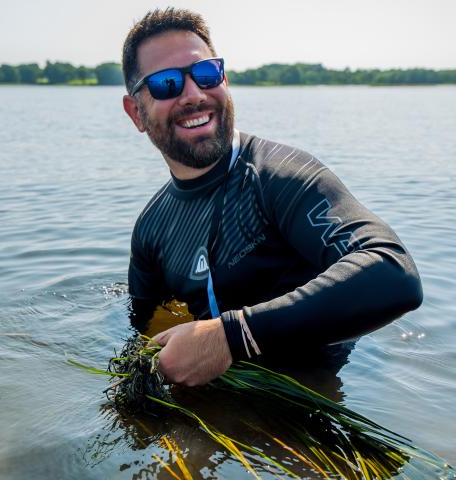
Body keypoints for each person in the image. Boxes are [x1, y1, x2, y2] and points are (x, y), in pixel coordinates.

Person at [121, 8, 423, 387]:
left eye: (206, 73)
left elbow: (394, 273)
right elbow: (140, 335)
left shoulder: (279, 176)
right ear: (136, 113)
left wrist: (230, 337)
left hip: (314, 402)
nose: (194, 94)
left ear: (224, 80)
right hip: (219, 402)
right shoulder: (152, 228)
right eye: (167, 84)